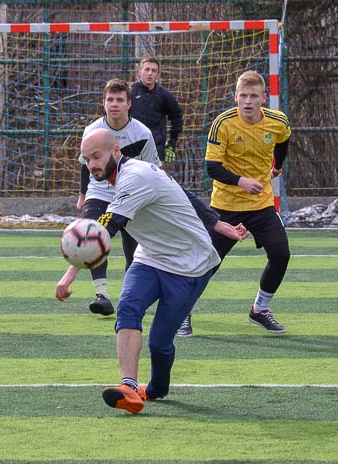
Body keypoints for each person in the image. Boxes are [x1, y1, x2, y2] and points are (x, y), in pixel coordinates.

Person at [56, 129, 247, 414]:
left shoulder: (135, 177)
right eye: (87, 159)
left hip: (189, 265)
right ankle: (129, 388)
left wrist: (69, 274)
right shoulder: (115, 177)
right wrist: (217, 223)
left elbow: (107, 226)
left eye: (97, 156)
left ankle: (157, 388)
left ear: (116, 151)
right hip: (150, 257)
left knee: (159, 343)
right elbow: (181, 191)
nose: (92, 164)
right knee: (128, 308)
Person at [177, 70, 292, 337]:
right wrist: (241, 181)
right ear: (236, 97)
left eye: (253, 96)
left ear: (264, 98)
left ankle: (260, 309)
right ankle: (183, 311)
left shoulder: (278, 122)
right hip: (225, 206)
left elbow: (283, 141)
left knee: (281, 253)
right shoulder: (223, 123)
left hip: (260, 205)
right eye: (243, 96)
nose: (248, 101)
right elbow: (212, 167)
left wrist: (278, 167)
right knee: (207, 262)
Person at [77, 78, 160, 316]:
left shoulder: (142, 133)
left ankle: (129, 296)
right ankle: (102, 295)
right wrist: (83, 194)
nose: (115, 104)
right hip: (99, 193)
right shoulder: (92, 131)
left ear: (128, 104)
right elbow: (85, 165)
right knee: (93, 239)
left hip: (132, 196)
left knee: (134, 251)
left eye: (120, 100)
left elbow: (153, 168)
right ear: (104, 103)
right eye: (110, 100)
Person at [129, 58, 183, 163]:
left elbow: (177, 116)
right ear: (140, 72)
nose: (150, 73)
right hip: (131, 149)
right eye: (147, 69)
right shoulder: (129, 92)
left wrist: (171, 144)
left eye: (154, 71)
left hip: (156, 151)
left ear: (158, 75)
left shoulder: (164, 95)